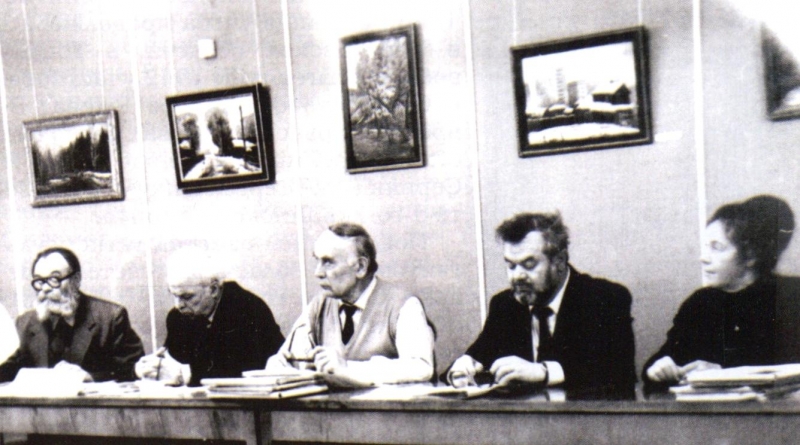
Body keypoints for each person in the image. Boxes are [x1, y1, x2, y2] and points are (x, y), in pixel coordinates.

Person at [445, 212, 636, 400]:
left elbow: (617, 372)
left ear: (559, 261)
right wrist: (461, 369)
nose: (517, 276)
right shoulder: (505, 305)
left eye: (529, 264)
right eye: (511, 266)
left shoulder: (604, 299)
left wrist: (543, 372)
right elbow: (476, 357)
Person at [643, 195, 795, 392]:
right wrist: (658, 370)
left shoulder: (790, 298)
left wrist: (723, 374)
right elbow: (663, 360)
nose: (703, 258)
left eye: (717, 248)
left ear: (751, 255)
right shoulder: (701, 303)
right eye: (706, 247)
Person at [266, 222, 435, 386]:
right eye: (317, 260)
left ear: (360, 267)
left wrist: (347, 368)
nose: (318, 273)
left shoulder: (403, 305)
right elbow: (286, 359)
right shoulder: (319, 305)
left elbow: (421, 367)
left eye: (328, 262)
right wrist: (281, 366)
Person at [135, 248, 285, 386]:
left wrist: (185, 374)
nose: (178, 305)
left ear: (213, 289)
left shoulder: (248, 309)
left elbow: (245, 371)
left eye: (187, 297)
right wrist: (154, 368)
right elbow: (173, 364)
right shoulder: (178, 317)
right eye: (174, 295)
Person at [0, 247, 144, 382]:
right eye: (39, 281)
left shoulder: (111, 317)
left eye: (54, 279)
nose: (45, 288)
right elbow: (8, 369)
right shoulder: (25, 323)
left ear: (76, 280)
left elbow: (133, 370)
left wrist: (91, 377)